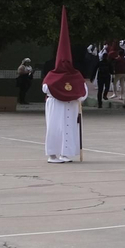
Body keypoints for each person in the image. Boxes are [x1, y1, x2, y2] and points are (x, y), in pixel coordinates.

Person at [41, 10, 85, 163]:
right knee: (55, 129)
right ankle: (53, 155)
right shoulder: (52, 75)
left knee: (69, 129)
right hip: (56, 106)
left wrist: (74, 94)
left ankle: (65, 154)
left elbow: (83, 92)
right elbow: (46, 89)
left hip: (71, 106)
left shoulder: (76, 75)